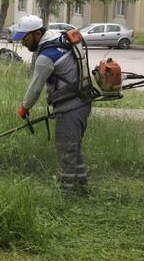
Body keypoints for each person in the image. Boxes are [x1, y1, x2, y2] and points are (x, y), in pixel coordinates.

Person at [11, 15, 93, 195]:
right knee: (74, 147)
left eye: (25, 38)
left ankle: (66, 193)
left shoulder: (46, 57)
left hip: (70, 107)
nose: (23, 43)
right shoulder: (58, 37)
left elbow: (35, 89)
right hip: (82, 101)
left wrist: (24, 108)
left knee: (66, 150)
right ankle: (82, 187)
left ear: (37, 34)